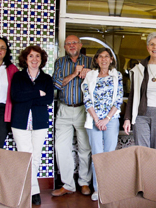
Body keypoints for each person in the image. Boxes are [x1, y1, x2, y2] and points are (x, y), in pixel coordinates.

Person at [10, 46, 53, 205]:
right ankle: (34, 191)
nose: (34, 59)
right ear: (25, 59)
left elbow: (48, 100)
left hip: (40, 122)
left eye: (37, 56)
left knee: (36, 157)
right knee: (26, 156)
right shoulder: (18, 77)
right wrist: (36, 93)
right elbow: (15, 97)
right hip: (20, 122)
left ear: (41, 60)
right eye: (31, 56)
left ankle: (29, 190)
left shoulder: (47, 79)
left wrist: (27, 96)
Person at [52, 35, 92, 197]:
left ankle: (84, 182)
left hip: (84, 109)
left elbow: (104, 75)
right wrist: (75, 74)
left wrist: (90, 72)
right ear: (64, 47)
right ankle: (68, 184)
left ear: (80, 45)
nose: (71, 45)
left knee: (84, 148)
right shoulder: (60, 62)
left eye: (74, 42)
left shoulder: (90, 62)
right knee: (61, 147)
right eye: (68, 44)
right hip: (64, 109)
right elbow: (56, 84)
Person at [81, 48, 123, 201]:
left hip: (111, 120)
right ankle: (98, 189)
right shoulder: (90, 75)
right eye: (100, 57)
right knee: (97, 155)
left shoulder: (116, 76)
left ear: (111, 59)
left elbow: (118, 99)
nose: (104, 59)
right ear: (96, 60)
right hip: (94, 120)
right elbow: (87, 99)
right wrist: (97, 119)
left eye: (107, 56)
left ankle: (109, 188)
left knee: (109, 155)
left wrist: (106, 119)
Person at [123, 32, 156, 150]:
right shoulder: (138, 69)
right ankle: (143, 170)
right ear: (147, 47)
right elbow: (132, 96)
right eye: (152, 44)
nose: (155, 47)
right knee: (142, 151)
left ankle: (154, 170)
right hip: (141, 115)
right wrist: (127, 118)